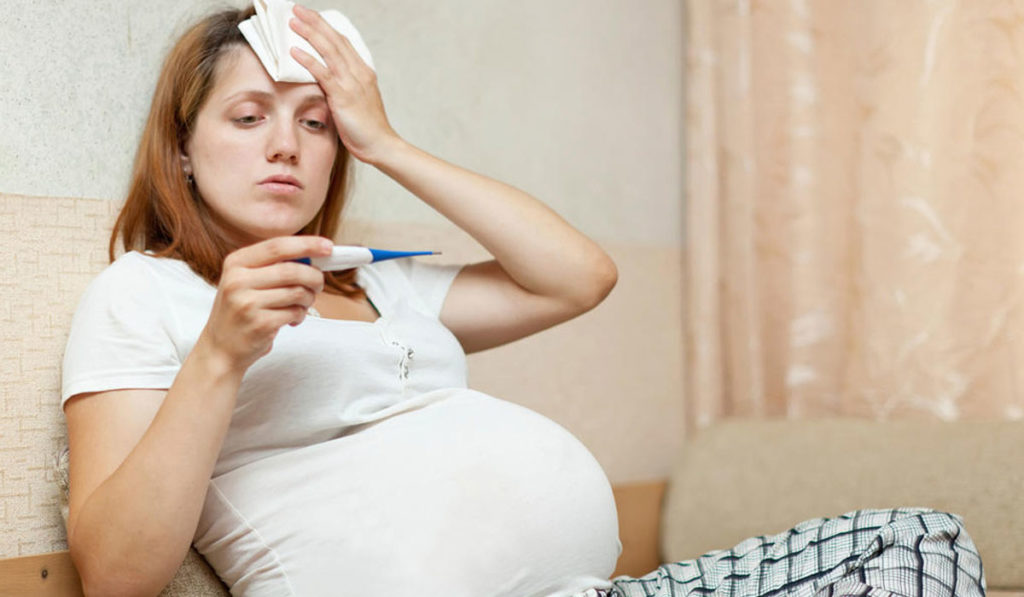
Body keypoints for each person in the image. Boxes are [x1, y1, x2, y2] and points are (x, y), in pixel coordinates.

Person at [60, 4, 987, 597]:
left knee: (920, 543)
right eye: (248, 116)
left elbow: (578, 276)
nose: (286, 146)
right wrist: (222, 353)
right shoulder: (144, 294)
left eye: (315, 123)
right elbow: (114, 574)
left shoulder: (378, 280)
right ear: (182, 148)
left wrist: (385, 141)